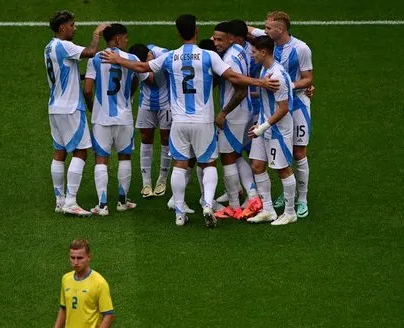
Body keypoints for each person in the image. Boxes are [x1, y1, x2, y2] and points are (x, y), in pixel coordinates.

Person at [101, 14, 280, 228]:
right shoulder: (208, 56)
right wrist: (259, 82)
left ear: (178, 33)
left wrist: (118, 59)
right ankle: (207, 204)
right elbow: (233, 78)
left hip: (179, 122)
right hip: (203, 121)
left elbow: (142, 68)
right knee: (210, 164)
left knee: (180, 164)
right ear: (196, 31)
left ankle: (179, 211)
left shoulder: (170, 57)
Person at [249, 11, 313, 218]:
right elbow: (245, 29)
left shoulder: (301, 48)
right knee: (270, 158)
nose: (263, 29)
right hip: (274, 104)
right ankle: (280, 201)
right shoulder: (267, 42)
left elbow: (308, 79)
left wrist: (284, 87)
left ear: (281, 30)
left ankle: (301, 199)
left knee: (298, 153)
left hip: (297, 105)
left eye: (268, 27)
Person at [45, 11, 106, 216]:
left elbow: (64, 71)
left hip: (54, 107)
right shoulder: (65, 45)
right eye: (72, 25)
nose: (75, 28)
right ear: (62, 28)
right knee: (80, 152)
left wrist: (81, 75)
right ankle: (71, 201)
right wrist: (97, 34)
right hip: (71, 107)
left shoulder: (49, 47)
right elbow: (90, 51)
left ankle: (59, 200)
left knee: (59, 152)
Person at [83, 23, 147, 216]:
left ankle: (102, 205)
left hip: (101, 119)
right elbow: (143, 77)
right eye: (125, 38)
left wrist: (94, 109)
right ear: (118, 39)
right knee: (124, 157)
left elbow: (87, 90)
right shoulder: (132, 58)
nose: (127, 41)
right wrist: (129, 95)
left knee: (101, 159)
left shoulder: (95, 59)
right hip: (125, 118)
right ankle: (122, 201)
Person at [245, 36, 298, 226]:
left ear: (263, 52)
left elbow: (283, 108)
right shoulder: (265, 69)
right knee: (257, 165)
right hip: (264, 127)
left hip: (278, 131)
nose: (252, 55)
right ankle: (268, 210)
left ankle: (290, 212)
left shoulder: (276, 76)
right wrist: (259, 125)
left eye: (254, 52)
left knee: (282, 169)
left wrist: (263, 127)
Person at [212, 21, 261, 220]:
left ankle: (233, 206)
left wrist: (223, 113)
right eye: (214, 39)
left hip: (235, 115)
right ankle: (253, 197)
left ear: (231, 38)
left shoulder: (231, 57)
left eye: (220, 39)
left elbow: (240, 91)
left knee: (227, 157)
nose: (215, 43)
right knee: (239, 155)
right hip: (246, 112)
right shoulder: (240, 49)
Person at [128, 43, 173, 198]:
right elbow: (145, 79)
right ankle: (146, 183)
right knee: (146, 139)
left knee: (165, 140)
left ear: (149, 53)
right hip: (146, 103)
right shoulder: (137, 60)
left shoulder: (164, 54)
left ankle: (162, 179)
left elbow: (153, 79)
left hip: (166, 104)